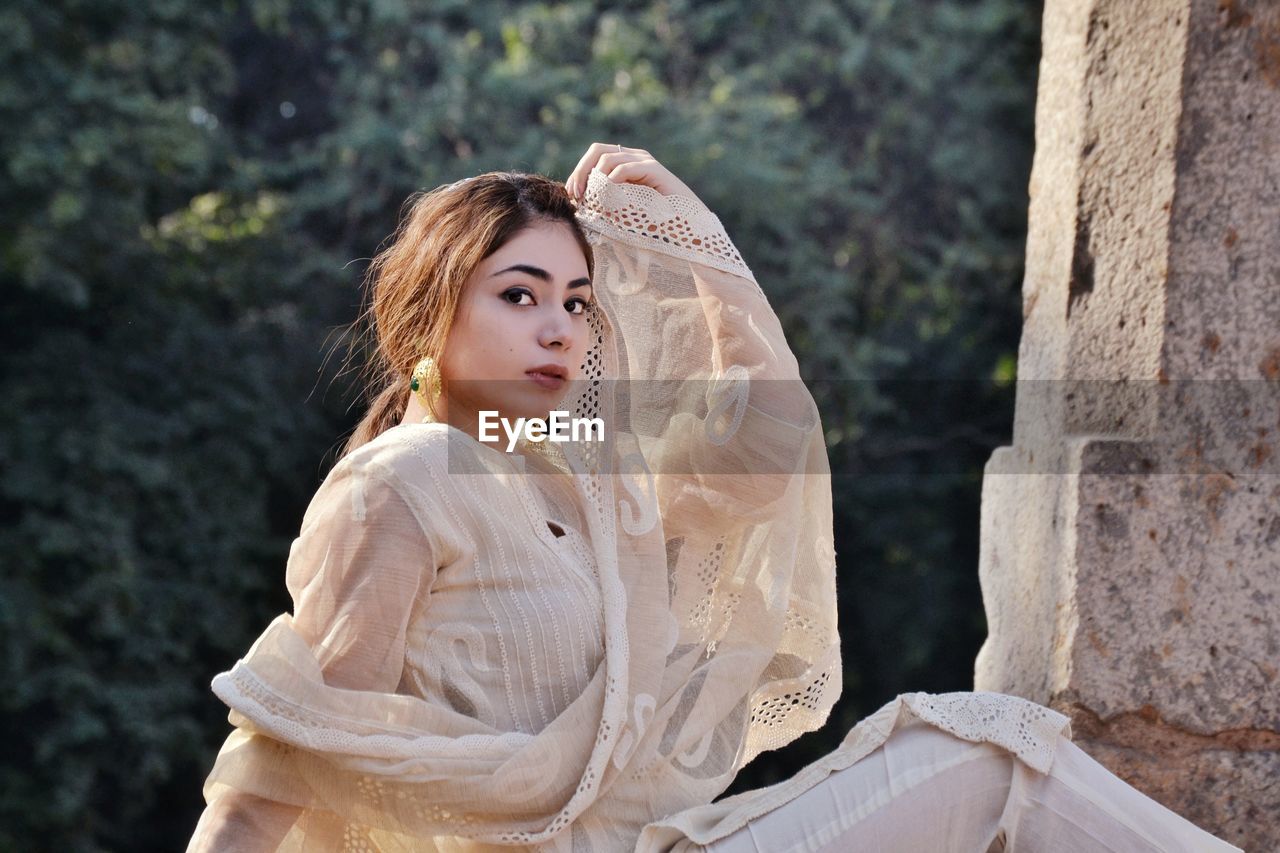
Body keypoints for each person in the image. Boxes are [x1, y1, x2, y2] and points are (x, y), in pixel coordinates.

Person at [186, 143, 1243, 852]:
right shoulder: (402, 486)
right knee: (984, 748)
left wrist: (694, 236)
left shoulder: (586, 481)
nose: (558, 328)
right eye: (518, 296)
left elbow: (767, 439)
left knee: (985, 753)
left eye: (574, 301)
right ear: (426, 319)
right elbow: (286, 749)